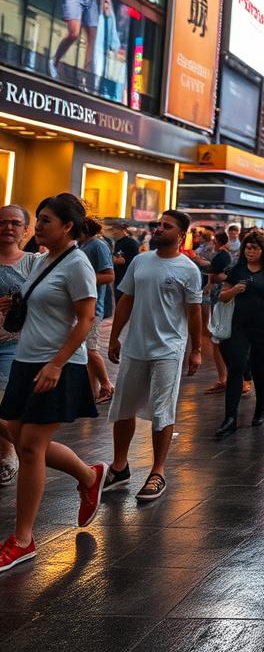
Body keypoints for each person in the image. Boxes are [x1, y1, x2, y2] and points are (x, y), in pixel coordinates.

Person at [0, 193, 106, 574]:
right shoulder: (44, 260)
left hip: (56, 365)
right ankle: (87, 475)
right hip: (27, 360)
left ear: (67, 227)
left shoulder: (78, 263)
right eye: (39, 219)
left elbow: (86, 319)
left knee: (29, 448)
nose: (38, 226)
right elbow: (44, 305)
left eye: (45, 220)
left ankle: (23, 540)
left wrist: (57, 364)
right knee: (15, 432)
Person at [104, 211, 202, 501]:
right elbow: (126, 300)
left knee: (162, 410)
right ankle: (119, 466)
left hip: (169, 350)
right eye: (159, 224)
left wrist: (195, 350)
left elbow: (194, 312)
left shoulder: (188, 269)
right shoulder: (140, 261)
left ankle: (157, 471)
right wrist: (114, 337)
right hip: (135, 346)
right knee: (123, 407)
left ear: (181, 235)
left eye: (167, 226)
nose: (159, 229)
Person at [213, 231, 264, 438]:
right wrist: (234, 290)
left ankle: (261, 407)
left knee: (258, 366)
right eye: (248, 248)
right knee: (235, 367)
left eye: (255, 248)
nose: (251, 251)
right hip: (238, 325)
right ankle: (230, 418)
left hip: (263, 325)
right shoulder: (237, 270)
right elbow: (223, 296)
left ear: (263, 250)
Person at [0, 206, 40, 487]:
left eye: (16, 223)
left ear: (26, 229)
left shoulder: (34, 263)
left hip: (14, 345)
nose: (9, 228)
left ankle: (11, 453)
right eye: (3, 222)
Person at [80, 217, 115, 404]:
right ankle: (93, 391)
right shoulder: (85, 245)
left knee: (91, 349)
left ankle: (107, 386)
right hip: (85, 305)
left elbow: (109, 276)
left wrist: (81, 277)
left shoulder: (97, 245)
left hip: (94, 306)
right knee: (86, 350)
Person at [202, 231, 232, 394]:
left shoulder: (224, 256)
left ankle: (229, 378)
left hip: (223, 300)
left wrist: (214, 281)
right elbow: (214, 274)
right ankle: (224, 378)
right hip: (220, 299)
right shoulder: (225, 256)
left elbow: (215, 274)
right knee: (217, 340)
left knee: (221, 340)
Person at [109, 220, 139, 296]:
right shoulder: (118, 242)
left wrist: (108, 259)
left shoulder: (130, 243)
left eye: (115, 229)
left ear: (122, 230)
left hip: (126, 279)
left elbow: (122, 261)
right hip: (119, 278)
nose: (113, 232)